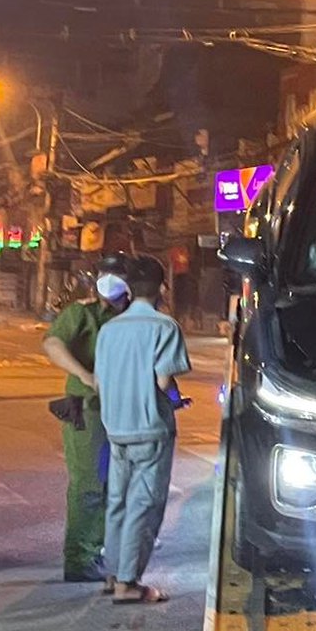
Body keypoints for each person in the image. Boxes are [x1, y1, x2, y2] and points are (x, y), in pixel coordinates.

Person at [93, 257, 191, 603]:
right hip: (150, 428)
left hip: (115, 427)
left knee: (117, 501)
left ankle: (112, 573)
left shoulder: (109, 329)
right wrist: (175, 399)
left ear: (129, 289)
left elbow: (100, 381)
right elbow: (164, 381)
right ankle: (128, 583)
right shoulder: (164, 327)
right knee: (144, 505)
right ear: (162, 288)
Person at [43, 264, 133, 581]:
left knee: (116, 483)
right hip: (89, 409)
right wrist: (84, 375)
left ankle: (98, 548)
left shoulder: (135, 314)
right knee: (89, 484)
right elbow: (53, 344)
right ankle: (80, 559)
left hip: (125, 410)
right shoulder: (82, 314)